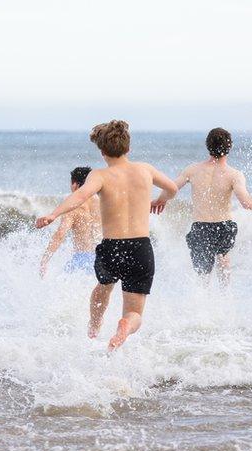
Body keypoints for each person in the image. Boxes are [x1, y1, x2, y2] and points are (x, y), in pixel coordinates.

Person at [35, 120, 178, 350]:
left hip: (111, 247)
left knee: (103, 288)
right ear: (128, 148)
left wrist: (53, 214)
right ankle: (124, 327)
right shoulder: (146, 170)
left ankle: (93, 329)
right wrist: (161, 200)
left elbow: (80, 197)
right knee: (134, 313)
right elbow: (172, 188)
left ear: (102, 152)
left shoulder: (100, 175)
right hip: (140, 248)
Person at [174, 128, 252, 284]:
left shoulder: (192, 170)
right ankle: (225, 300)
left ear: (207, 145)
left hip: (200, 226)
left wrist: (156, 202)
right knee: (223, 259)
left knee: (203, 275)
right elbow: (248, 203)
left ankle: (202, 304)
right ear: (229, 147)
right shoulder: (233, 175)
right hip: (223, 226)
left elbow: (172, 188)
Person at [39, 166, 100, 277]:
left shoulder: (73, 207)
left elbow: (60, 234)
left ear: (75, 185)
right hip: (102, 260)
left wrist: (45, 260)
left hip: (82, 260)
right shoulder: (101, 203)